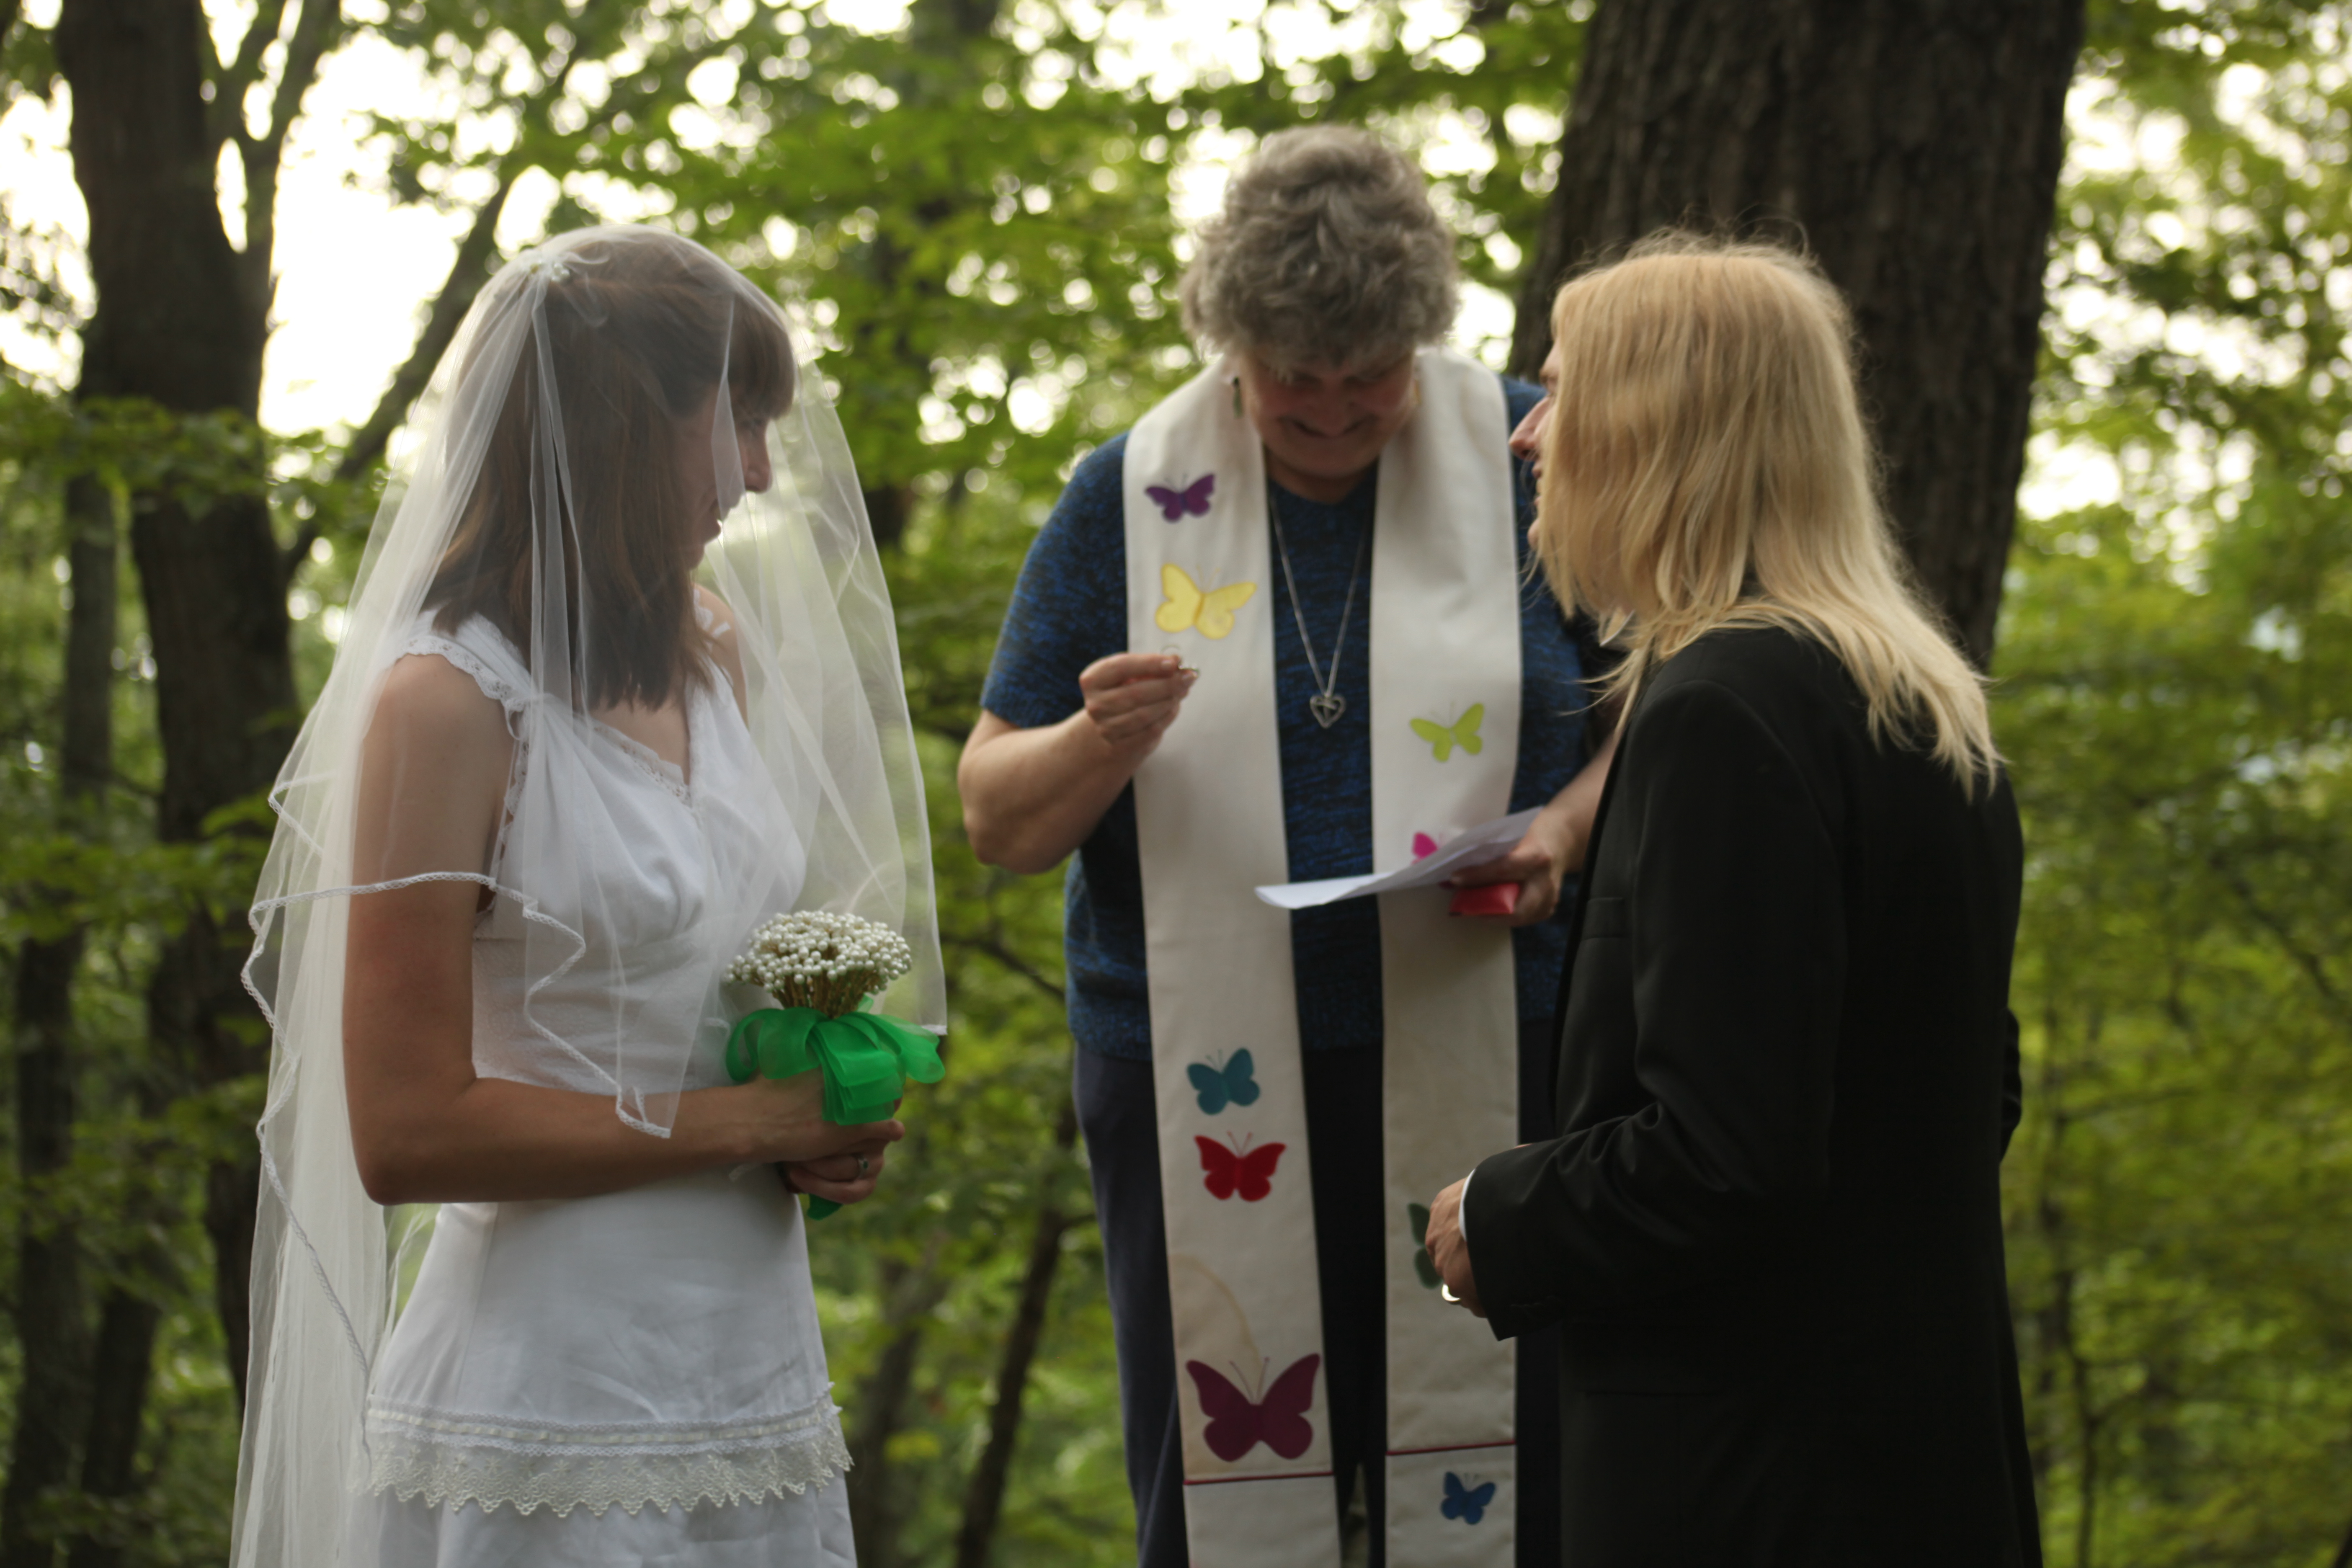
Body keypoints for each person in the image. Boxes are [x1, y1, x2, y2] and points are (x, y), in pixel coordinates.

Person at [230, 226, 944, 1568]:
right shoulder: (447, 702)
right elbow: (405, 1131)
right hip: (548, 1385)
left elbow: (701, 987)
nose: (759, 472)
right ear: (621, 428)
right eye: (734, 421)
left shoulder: (713, 647)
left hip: (750, 1350)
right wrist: (747, 1121)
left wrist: (812, 1115)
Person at [959, 126, 1616, 1568]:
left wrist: (1567, 830)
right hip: (1195, 1070)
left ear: (1422, 336)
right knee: (1223, 1477)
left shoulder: (1529, 456)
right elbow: (998, 816)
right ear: (1230, 348)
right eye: (1291, 380)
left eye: (1368, 375)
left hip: (1497, 1040)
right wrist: (1095, 741)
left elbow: (1663, 698)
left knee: (1514, 1474)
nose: (1330, 412)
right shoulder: (1130, 494)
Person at [1423, 235, 2041, 1565]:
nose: (1529, 436)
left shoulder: (1723, 711)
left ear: (1658, 428)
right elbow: (1967, 1096)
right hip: (1916, 1450)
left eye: (1562, 392)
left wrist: (1499, 1216)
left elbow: (1727, 1155)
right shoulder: (1921, 703)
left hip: (1750, 1473)